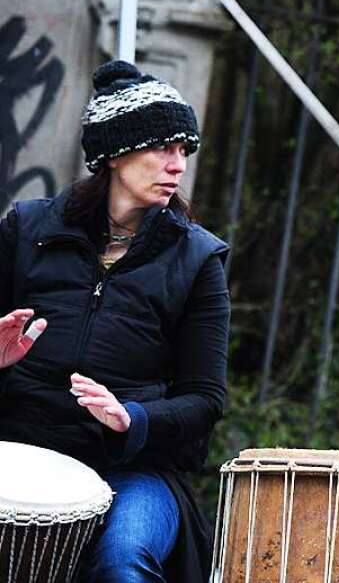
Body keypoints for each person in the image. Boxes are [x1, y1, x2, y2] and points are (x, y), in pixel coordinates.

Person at [0, 60, 230, 582]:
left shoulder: (197, 260)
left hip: (133, 469)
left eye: (184, 152)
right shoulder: (26, 229)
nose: (177, 166)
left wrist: (134, 419)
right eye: (162, 148)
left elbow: (206, 398)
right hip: (18, 446)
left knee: (123, 558)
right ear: (115, 154)